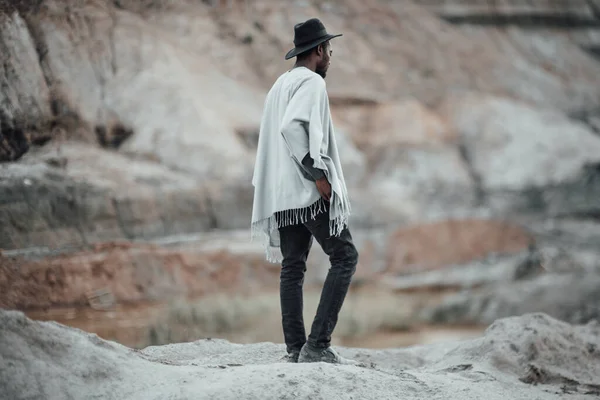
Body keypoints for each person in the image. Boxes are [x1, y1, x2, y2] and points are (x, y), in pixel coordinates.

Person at [250, 18, 359, 364]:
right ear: (317, 51)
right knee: (345, 257)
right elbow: (291, 128)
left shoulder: (279, 85)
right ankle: (317, 345)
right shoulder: (311, 82)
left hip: (282, 197)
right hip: (307, 193)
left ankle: (295, 349)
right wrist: (319, 176)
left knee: (292, 267)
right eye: (328, 49)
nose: (330, 56)